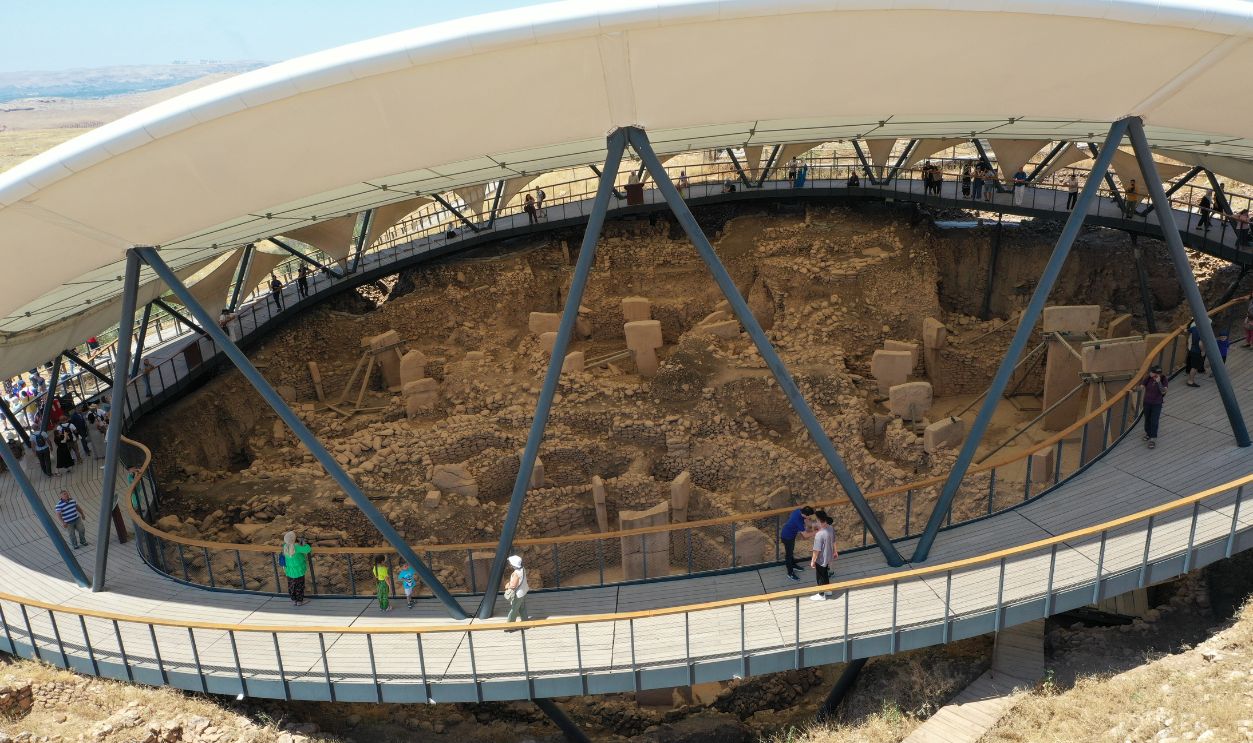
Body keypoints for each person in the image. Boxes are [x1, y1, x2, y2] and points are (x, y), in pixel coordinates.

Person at [779, 505, 815, 582]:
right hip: (787, 537)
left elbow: (806, 521)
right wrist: (816, 532)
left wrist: (813, 525)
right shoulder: (798, 521)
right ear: (805, 515)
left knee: (791, 551)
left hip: (789, 535)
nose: (810, 517)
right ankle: (790, 573)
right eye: (809, 516)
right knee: (788, 555)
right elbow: (805, 535)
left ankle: (793, 565)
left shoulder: (798, 511)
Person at [808, 511, 836, 601]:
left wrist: (813, 561)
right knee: (825, 573)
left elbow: (816, 550)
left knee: (820, 575)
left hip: (821, 559)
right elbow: (834, 541)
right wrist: (835, 551)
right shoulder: (830, 528)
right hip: (829, 556)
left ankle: (821, 594)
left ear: (819, 520)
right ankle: (828, 589)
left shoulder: (819, 535)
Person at [281, 531, 312, 606]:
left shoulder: (285, 546)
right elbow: (308, 549)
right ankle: (299, 601)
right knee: (299, 586)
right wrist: (304, 544)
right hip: (299, 571)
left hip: (289, 571)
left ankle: (293, 600)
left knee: (291, 586)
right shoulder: (297, 547)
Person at [1141, 364, 1167, 449]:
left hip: (1157, 403)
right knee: (1147, 419)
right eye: (1155, 373)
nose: (1157, 375)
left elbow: (1163, 392)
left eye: (1158, 373)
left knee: (1154, 420)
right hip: (1147, 402)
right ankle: (1148, 433)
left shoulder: (1163, 379)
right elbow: (1141, 387)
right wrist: (1132, 390)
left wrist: (1159, 382)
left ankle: (1153, 439)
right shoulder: (1148, 378)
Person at [504, 554, 529, 624]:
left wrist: (507, 585)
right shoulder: (522, 569)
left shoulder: (516, 573)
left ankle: (510, 625)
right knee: (522, 608)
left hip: (518, 594)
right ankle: (525, 622)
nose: (510, 564)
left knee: (513, 610)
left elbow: (513, 586)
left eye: (510, 563)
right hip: (523, 592)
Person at [1185, 320, 1205, 387]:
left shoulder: (1194, 328)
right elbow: (1200, 343)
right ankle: (1190, 381)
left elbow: (1186, 331)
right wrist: (1203, 351)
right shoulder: (1202, 331)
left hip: (1192, 350)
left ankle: (1190, 380)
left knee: (1193, 366)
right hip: (1197, 351)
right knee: (1194, 367)